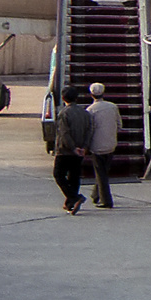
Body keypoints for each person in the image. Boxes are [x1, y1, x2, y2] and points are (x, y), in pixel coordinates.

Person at [52, 85, 92, 214]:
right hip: (80, 150)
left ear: (63, 98)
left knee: (59, 175)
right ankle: (70, 203)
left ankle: (74, 197)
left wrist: (73, 147)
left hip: (65, 151)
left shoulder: (64, 113)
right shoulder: (85, 113)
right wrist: (84, 147)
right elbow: (89, 131)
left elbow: (64, 133)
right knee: (74, 176)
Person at [86, 82, 121, 209]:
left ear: (91, 94)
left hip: (97, 145)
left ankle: (106, 200)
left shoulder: (90, 110)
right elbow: (119, 124)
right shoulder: (112, 107)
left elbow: (90, 129)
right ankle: (95, 194)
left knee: (100, 173)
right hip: (111, 143)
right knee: (103, 170)